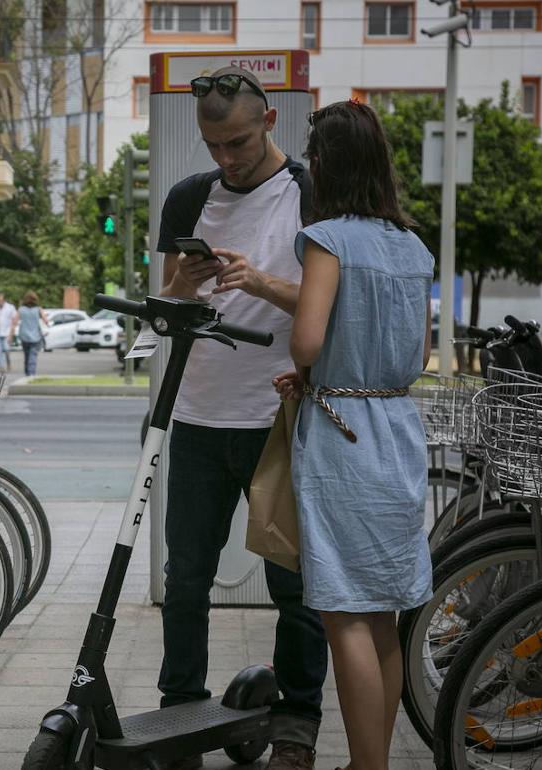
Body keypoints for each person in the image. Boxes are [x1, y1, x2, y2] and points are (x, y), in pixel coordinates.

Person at [155, 66, 327, 770]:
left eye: (238, 142)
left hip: (279, 415)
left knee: (295, 586)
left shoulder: (312, 193)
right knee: (186, 578)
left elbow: (330, 300)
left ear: (270, 123)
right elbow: (167, 311)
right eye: (213, 144)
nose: (226, 158)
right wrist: (180, 285)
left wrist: (258, 280)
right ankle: (179, 718)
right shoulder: (188, 198)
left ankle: (295, 728)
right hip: (197, 413)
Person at [269, 100, 433, 770]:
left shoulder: (328, 238)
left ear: (326, 166)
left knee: (344, 616)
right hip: (397, 426)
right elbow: (417, 357)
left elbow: (307, 338)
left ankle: (367, 767)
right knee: (385, 612)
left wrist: (311, 371)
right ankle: (375, 762)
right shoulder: (411, 245)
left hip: (342, 438)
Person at [14, 290, 49, 377]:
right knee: (33, 355)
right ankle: (31, 373)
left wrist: (11, 335)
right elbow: (46, 321)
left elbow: (14, 321)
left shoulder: (21, 309)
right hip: (36, 336)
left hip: (24, 336)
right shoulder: (38, 309)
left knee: (26, 355)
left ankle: (27, 373)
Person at [0, 292, 17, 373]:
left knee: (6, 349)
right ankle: (1, 367)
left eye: (1, 300)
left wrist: (11, 334)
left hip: (7, 333)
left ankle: (8, 362)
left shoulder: (10, 307)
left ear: (4, 300)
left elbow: (14, 321)